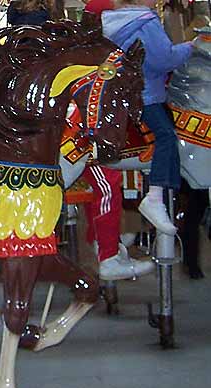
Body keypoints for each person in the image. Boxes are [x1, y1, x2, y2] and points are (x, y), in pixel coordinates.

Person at [102, 0, 193, 235]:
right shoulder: (145, 21)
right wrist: (191, 47)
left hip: (126, 92)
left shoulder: (118, 20)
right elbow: (164, 59)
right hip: (146, 94)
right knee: (166, 136)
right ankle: (156, 195)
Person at [80, 0, 154, 280]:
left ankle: (103, 241)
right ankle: (107, 254)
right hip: (86, 135)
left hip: (91, 132)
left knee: (105, 183)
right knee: (107, 183)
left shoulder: (95, 53)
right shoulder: (101, 56)